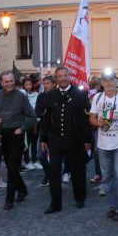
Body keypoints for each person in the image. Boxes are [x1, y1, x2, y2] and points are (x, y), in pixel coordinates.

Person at [40, 67, 91, 213]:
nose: (62, 78)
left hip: (75, 140)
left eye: (65, 75)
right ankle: (55, 203)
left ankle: (80, 198)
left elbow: (85, 119)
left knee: (77, 171)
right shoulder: (50, 95)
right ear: (56, 78)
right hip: (55, 140)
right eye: (59, 76)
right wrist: (44, 138)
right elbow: (46, 118)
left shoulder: (80, 94)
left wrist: (87, 139)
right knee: (54, 172)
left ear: (69, 76)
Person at [0, 71, 36, 210]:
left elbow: (32, 116)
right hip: (2, 136)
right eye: (6, 82)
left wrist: (22, 129)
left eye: (11, 81)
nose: (9, 84)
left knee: (12, 168)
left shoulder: (21, 96)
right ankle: (22, 189)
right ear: (1, 83)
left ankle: (9, 199)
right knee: (10, 167)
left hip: (16, 135)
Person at [90, 69, 118, 221]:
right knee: (107, 177)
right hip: (103, 144)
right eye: (105, 80)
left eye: (111, 80)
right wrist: (98, 123)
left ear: (116, 81)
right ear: (102, 83)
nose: (108, 83)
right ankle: (112, 206)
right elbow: (91, 118)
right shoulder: (97, 97)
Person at [35, 75, 55, 187]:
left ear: (53, 84)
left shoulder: (57, 95)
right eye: (44, 83)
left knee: (55, 155)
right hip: (44, 129)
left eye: (48, 83)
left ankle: (60, 173)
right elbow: (37, 111)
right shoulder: (41, 96)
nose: (45, 85)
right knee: (42, 155)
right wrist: (46, 115)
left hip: (55, 130)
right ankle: (48, 174)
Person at [22, 77, 40, 169]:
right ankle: (27, 161)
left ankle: (34, 160)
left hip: (36, 122)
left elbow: (38, 106)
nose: (28, 86)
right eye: (26, 85)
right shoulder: (22, 94)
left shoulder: (36, 94)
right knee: (27, 142)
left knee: (34, 142)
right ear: (23, 85)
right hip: (26, 121)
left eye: (30, 84)